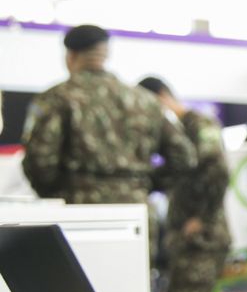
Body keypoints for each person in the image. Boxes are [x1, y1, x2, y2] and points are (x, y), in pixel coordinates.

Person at [22, 25, 197, 255]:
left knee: (76, 286)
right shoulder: (145, 101)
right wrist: (144, 184)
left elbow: (39, 160)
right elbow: (185, 156)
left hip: (78, 213)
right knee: (133, 286)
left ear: (70, 56)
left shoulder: (56, 98)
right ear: (105, 54)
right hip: (136, 214)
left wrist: (60, 191)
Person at [138, 76, 232, 292]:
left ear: (162, 97)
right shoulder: (182, 131)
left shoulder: (197, 123)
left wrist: (201, 218)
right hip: (192, 239)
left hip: (201, 240)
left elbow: (217, 169)